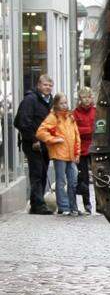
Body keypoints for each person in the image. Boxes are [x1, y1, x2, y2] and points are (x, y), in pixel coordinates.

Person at [36, 93, 81, 216]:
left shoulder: (70, 117)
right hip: (59, 154)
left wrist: (77, 152)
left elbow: (76, 135)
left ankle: (73, 207)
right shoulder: (53, 117)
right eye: (61, 103)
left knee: (73, 180)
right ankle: (64, 207)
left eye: (65, 102)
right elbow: (40, 132)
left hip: (71, 154)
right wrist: (54, 140)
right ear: (56, 104)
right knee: (61, 181)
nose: (64, 105)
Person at [15, 75, 53, 215]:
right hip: (32, 144)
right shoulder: (30, 100)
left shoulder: (50, 101)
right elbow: (21, 122)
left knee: (42, 172)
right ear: (38, 85)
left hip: (46, 144)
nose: (47, 87)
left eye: (50, 85)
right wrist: (33, 140)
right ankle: (39, 206)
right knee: (36, 173)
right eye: (45, 85)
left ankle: (36, 203)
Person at [73, 87, 96, 215]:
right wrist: (88, 130)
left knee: (99, 177)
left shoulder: (96, 112)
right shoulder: (75, 113)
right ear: (80, 99)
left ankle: (100, 204)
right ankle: (87, 204)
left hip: (93, 148)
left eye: (88, 97)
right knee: (84, 178)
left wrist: (85, 130)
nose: (86, 100)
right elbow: (74, 131)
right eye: (83, 98)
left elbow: (98, 128)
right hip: (81, 150)